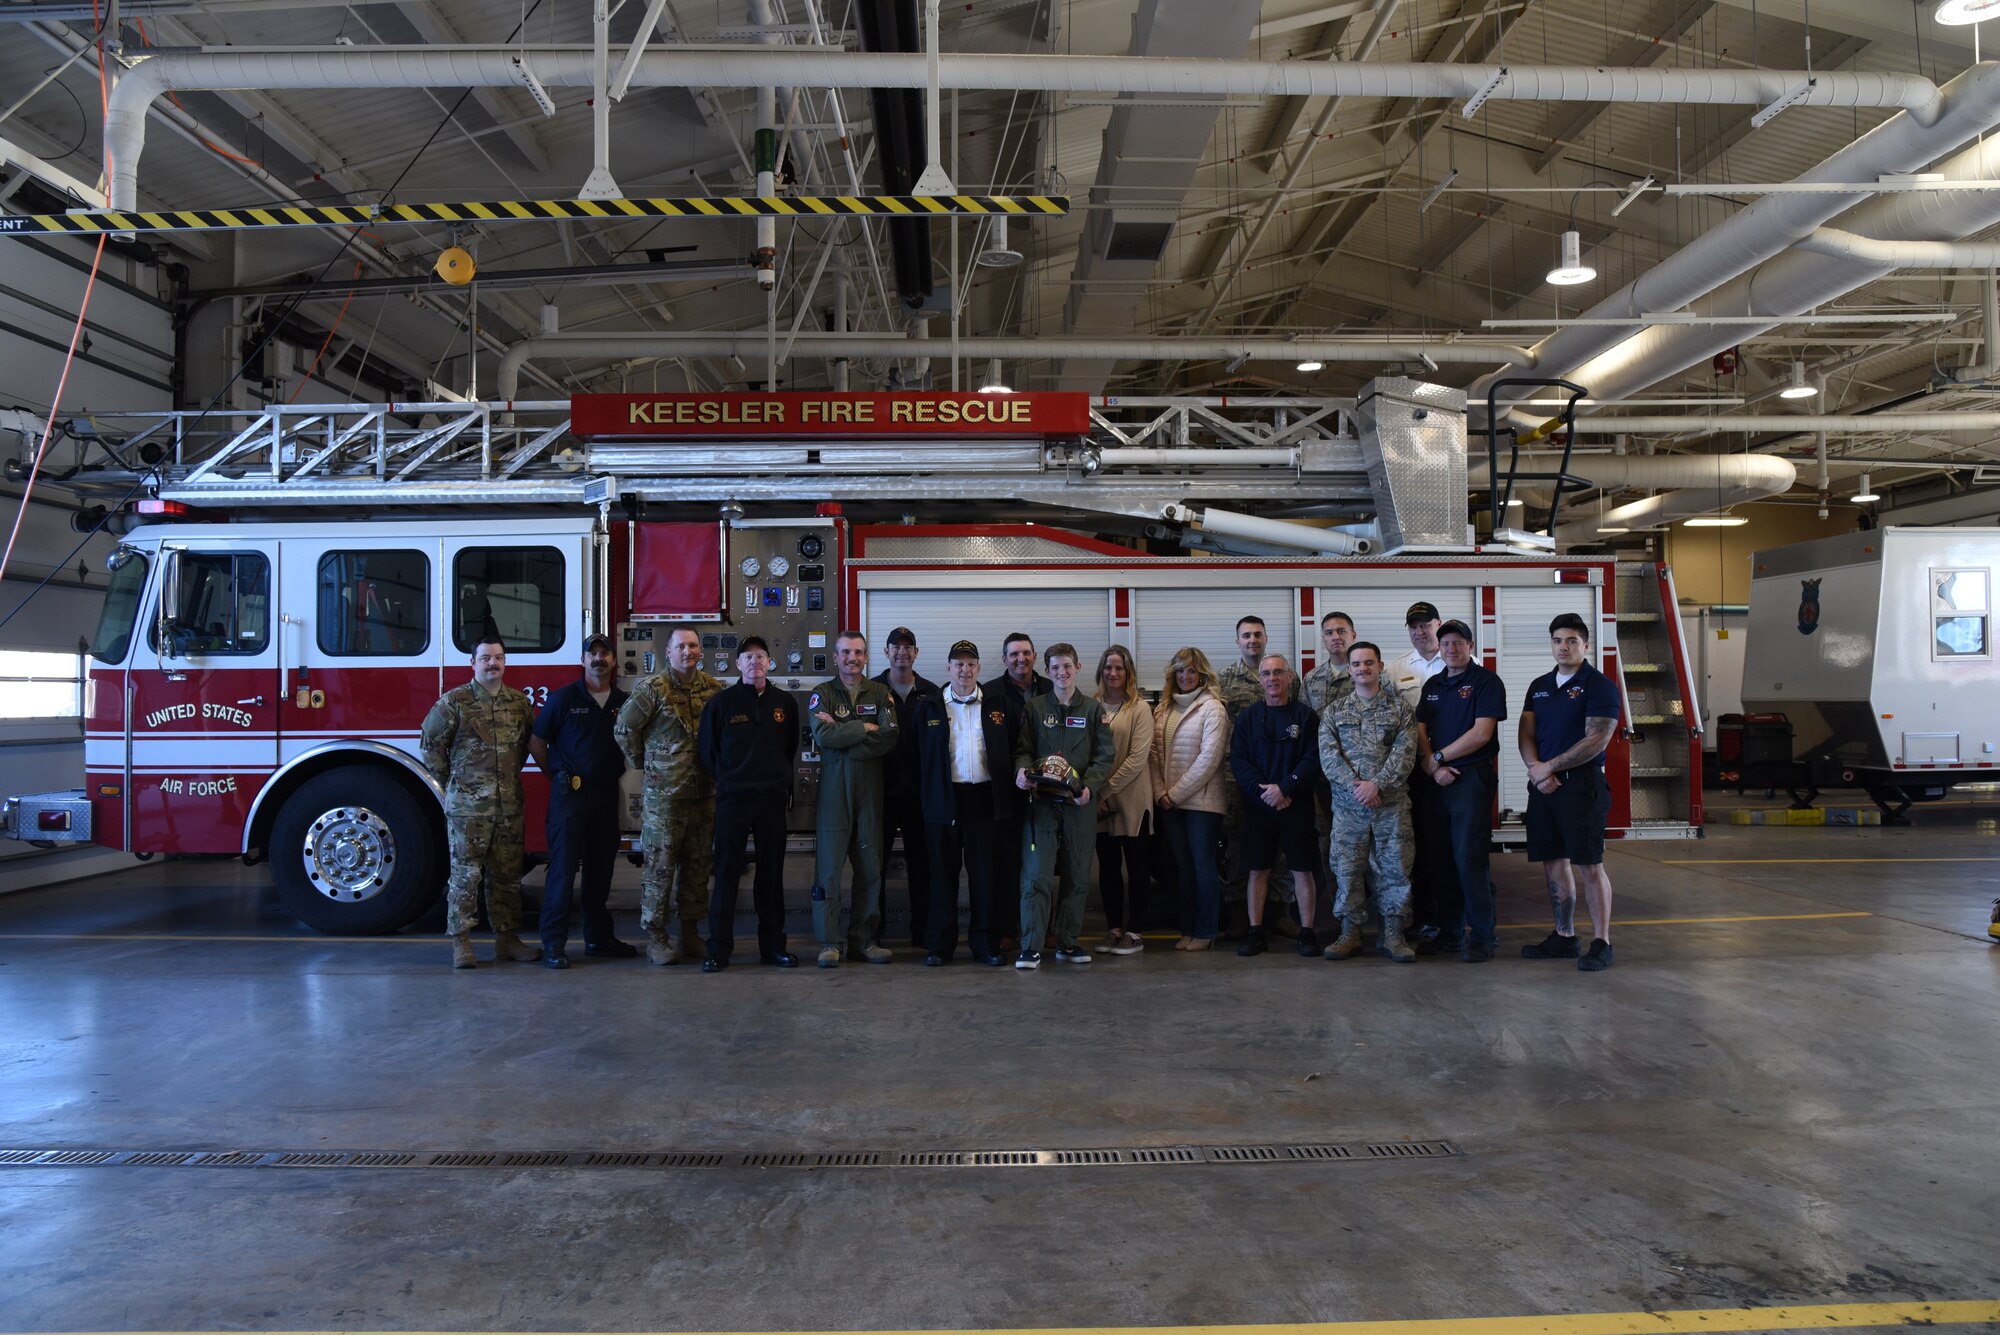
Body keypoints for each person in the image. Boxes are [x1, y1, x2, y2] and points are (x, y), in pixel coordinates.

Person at [420, 638, 539, 969]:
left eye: (498, 658)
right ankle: (461, 942)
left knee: (507, 876)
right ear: (473, 663)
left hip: (508, 805)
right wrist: (454, 783)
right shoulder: (454, 702)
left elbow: (530, 742)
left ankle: (507, 940)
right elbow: (430, 744)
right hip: (468, 808)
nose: (493, 664)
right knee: (465, 874)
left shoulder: (518, 703)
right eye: (485, 658)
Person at [1518, 612, 1623, 972]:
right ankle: (1564, 937)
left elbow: (1597, 739)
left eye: (1572, 640)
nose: (1564, 647)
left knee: (1589, 864)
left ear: (1586, 645)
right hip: (1544, 786)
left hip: (1582, 786)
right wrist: (1536, 770)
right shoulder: (1540, 685)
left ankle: (1601, 942)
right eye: (1558, 641)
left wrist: (1551, 766)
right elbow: (1526, 733)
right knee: (1553, 862)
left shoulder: (1599, 685)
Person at [614, 624, 723, 965]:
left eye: (693, 646)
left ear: (700, 652)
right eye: (681, 647)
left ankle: (689, 933)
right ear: (669, 653)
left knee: (697, 866)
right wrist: (643, 764)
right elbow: (624, 728)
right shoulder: (653, 689)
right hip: (664, 800)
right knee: (660, 868)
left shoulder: (714, 690)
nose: (687, 652)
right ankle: (657, 937)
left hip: (703, 795)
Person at [914, 640, 1024, 966]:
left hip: (984, 801)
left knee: (984, 877)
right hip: (944, 800)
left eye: (971, 664)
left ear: (979, 668)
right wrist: (930, 793)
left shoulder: (998, 704)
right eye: (958, 664)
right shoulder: (930, 706)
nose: (965, 670)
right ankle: (939, 946)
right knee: (941, 876)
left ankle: (986, 945)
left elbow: (1015, 745)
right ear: (948, 668)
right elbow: (912, 756)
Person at [529, 632, 634, 968]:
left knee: (601, 872)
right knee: (561, 873)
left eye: (605, 654)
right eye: (593, 654)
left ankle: (598, 939)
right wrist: (557, 773)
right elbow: (537, 743)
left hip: (605, 795)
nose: (599, 659)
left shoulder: (623, 701)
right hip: (570, 797)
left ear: (614, 662)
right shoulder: (562, 699)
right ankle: (554, 945)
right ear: (583, 660)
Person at [695, 636, 801, 971]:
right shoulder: (721, 704)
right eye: (748, 657)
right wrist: (729, 779)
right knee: (726, 874)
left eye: (760, 656)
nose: (754, 662)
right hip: (733, 800)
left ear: (770, 663)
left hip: (771, 800)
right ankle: (718, 950)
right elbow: (707, 751)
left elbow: (790, 748)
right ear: (737, 664)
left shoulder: (785, 703)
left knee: (770, 876)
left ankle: (773, 948)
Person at [1011, 642, 1116, 969]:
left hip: (1078, 804)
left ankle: (1068, 943)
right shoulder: (1035, 708)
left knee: (1077, 876)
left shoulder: (1093, 710)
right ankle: (1031, 946)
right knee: (1036, 875)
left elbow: (1104, 756)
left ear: (1078, 667)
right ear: (1047, 671)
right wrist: (1021, 772)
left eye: (1067, 666)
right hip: (1041, 803)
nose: (1062, 672)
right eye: (1055, 667)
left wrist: (1090, 787)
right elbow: (1023, 749)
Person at [1414, 619, 1508, 962]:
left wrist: (1437, 758)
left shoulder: (1486, 682)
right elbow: (1420, 728)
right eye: (1446, 644)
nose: (1451, 649)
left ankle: (1483, 937)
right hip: (1436, 782)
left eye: (1458, 643)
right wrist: (1431, 764)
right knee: (1439, 861)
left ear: (1470, 646)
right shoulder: (1434, 685)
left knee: (1469, 859)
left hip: (1470, 781)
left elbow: (1482, 734)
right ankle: (1451, 934)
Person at [1319, 641, 1419, 962]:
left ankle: (1392, 934)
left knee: (1395, 868)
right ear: (1349, 670)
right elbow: (1328, 756)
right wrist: (1357, 787)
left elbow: (1405, 754)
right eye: (1357, 664)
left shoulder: (1400, 710)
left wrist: (1376, 785)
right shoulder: (1334, 712)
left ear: (1380, 667)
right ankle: (1349, 933)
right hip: (1349, 809)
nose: (1363, 669)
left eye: (1369, 663)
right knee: (1347, 868)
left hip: (1390, 807)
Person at [808, 630, 900, 967]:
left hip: (869, 793)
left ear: (865, 657)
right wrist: (864, 728)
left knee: (870, 868)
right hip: (834, 794)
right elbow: (823, 734)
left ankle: (864, 941)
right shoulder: (822, 694)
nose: (852, 658)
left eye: (858, 653)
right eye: (845, 652)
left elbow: (889, 737)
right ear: (835, 657)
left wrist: (845, 732)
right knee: (828, 871)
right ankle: (829, 943)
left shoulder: (881, 693)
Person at [1227, 654, 1323, 957]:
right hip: (1259, 807)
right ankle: (1255, 932)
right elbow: (1239, 762)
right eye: (1266, 673)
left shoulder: (1306, 717)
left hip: (1297, 804)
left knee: (1302, 870)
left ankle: (1306, 932)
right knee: (1257, 870)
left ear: (1290, 676)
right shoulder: (1247, 719)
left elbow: (1313, 758)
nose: (1272, 678)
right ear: (1260, 680)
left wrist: (1285, 787)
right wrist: (1264, 792)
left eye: (1278, 672)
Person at [1152, 647, 1231, 952]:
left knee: (1202, 866)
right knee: (1181, 867)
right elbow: (1153, 757)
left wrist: (1175, 793)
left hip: (1202, 804)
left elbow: (1209, 759)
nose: (1186, 676)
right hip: (1170, 803)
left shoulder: (1213, 708)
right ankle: (1187, 929)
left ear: (1203, 675)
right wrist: (1161, 793)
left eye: (1192, 671)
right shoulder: (1163, 708)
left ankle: (1206, 930)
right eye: (1180, 671)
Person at [984, 632, 1050, 953]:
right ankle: (1009, 928)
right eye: (1013, 655)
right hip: (1007, 791)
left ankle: (1043, 925)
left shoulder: (1052, 688)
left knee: (1044, 863)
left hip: (1049, 792)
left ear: (1035, 656)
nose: (1020, 659)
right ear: (1004, 659)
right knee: (1008, 863)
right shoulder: (991, 693)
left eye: (1025, 653)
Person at [874, 627, 940, 949]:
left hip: (919, 796)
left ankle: (923, 931)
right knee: (874, 867)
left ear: (916, 652)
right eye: (895, 647)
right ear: (885, 652)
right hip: (879, 796)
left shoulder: (931, 692)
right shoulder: (869, 689)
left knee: (922, 868)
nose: (902, 652)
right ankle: (874, 930)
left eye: (908, 646)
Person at [1396, 600, 1451, 954]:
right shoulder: (1397, 668)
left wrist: (1440, 759)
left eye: (1425, 624)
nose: (1420, 631)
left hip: (1453, 770)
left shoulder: (1464, 662)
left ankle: (1450, 914)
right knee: (1416, 845)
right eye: (1414, 626)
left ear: (1439, 625)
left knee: (1448, 845)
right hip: (1413, 771)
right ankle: (1424, 916)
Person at [1092, 644, 1155, 955]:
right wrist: (1093, 794)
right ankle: (1114, 929)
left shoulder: (1140, 708)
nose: (1113, 673)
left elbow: (1136, 759)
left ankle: (1135, 932)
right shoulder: (1091, 705)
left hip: (1131, 799)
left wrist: (1102, 792)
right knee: (1108, 869)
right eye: (1108, 667)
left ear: (1128, 672)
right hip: (1099, 803)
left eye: (1119, 668)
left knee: (1137, 868)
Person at [1300, 611, 1356, 714]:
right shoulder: (1311, 678)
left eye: (1341, 631)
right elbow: (1304, 718)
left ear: (1353, 635)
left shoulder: (1366, 674)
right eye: (1329, 633)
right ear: (1324, 639)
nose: (1335, 637)